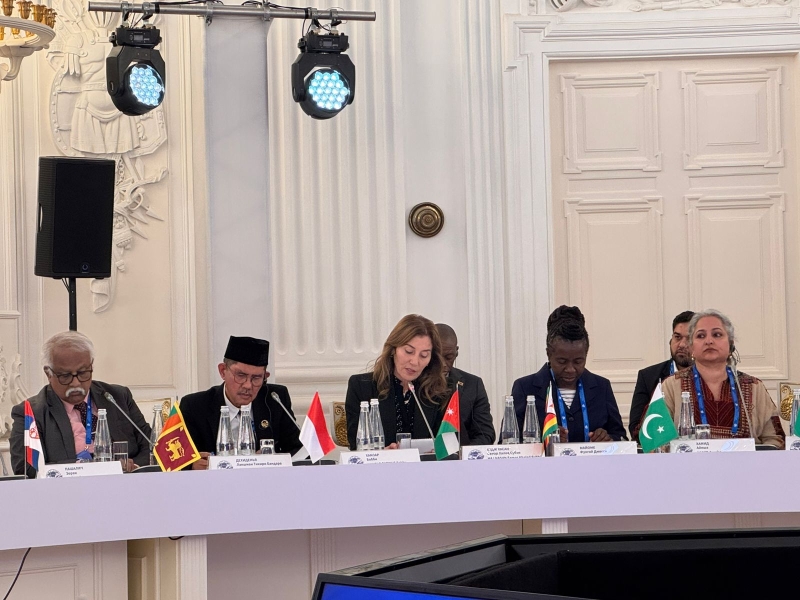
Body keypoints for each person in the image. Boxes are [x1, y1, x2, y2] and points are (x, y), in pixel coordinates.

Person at [10, 331, 151, 477]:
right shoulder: (30, 412)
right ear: (48, 373)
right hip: (66, 489)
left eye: (83, 373)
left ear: (91, 365)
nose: (75, 383)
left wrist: (133, 466)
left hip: (124, 484)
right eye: (65, 376)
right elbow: (25, 468)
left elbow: (151, 446)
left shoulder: (117, 397)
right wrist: (85, 468)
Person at [663, 309, 784, 448]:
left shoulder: (754, 386)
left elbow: (776, 440)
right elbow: (657, 442)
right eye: (701, 336)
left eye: (717, 334)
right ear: (691, 347)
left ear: (730, 344)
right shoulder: (672, 386)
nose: (709, 341)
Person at [180, 336, 303, 469]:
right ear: (223, 371)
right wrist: (192, 466)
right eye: (240, 376)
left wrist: (272, 460)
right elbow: (176, 460)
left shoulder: (275, 399)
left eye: (256, 378)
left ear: (265, 376)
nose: (248, 385)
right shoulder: (194, 406)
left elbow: (298, 451)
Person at [510, 306, 626, 443]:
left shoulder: (602, 386)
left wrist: (608, 439)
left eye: (578, 361)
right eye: (562, 361)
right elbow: (508, 442)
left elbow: (621, 438)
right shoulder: (525, 387)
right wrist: (543, 441)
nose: (570, 369)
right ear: (548, 354)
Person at [345, 314, 448, 450]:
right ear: (393, 349)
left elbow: (446, 443)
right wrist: (381, 453)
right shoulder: (361, 386)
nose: (415, 362)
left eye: (424, 355)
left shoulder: (438, 391)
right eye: (409, 351)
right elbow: (355, 444)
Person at [629, 310, 694, 441]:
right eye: (677, 337)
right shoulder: (648, 376)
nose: (682, 345)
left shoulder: (707, 377)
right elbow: (635, 428)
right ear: (670, 340)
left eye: (689, 339)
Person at [435, 323, 495, 446]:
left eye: (448, 357)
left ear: (456, 352)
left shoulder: (473, 385)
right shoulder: (413, 383)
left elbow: (485, 434)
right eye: (437, 358)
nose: (443, 364)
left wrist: (462, 453)